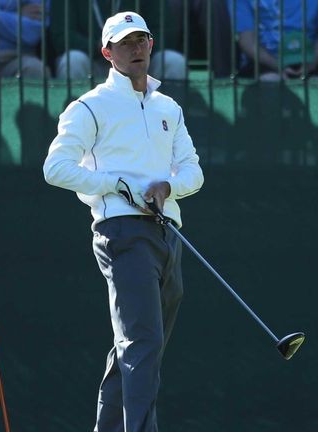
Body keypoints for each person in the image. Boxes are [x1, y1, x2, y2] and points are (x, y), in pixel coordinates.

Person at [43, 11, 204, 432]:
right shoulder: (89, 107)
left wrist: (167, 189)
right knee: (143, 344)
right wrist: (113, 184)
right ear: (107, 52)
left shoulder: (169, 106)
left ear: (151, 45)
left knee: (136, 347)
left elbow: (193, 171)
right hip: (122, 234)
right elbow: (55, 168)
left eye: (141, 41)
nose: (135, 49)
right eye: (125, 43)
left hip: (168, 236)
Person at [49, 0, 187, 80]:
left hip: (141, 63)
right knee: (73, 60)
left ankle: (170, 122)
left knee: (173, 61)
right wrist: (103, 48)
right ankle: (80, 123)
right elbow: (62, 37)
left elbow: (166, 32)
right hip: (95, 61)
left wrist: (134, 48)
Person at [230, 0, 318, 81]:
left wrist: (311, 63)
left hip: (311, 60)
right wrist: (277, 65)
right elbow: (247, 41)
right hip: (262, 62)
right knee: (270, 81)